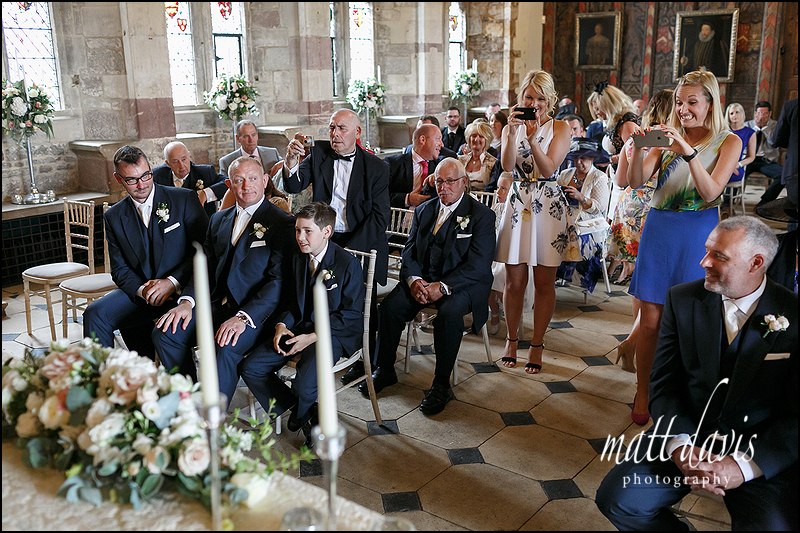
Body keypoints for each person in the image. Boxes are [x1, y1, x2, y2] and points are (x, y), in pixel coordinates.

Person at [596, 215, 797, 531]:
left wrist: (742, 467)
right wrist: (680, 445)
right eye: (707, 251)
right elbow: (663, 384)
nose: (703, 262)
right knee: (618, 500)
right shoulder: (682, 300)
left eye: (719, 256)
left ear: (756, 263)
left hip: (758, 448)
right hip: (688, 430)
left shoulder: (793, 315)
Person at [626, 70, 741, 425]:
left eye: (692, 102)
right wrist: (639, 149)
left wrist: (688, 152)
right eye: (679, 102)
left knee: (690, 320)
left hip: (698, 234)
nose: (683, 109)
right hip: (660, 229)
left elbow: (711, 192)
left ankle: (681, 390)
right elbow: (635, 181)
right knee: (650, 320)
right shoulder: (666, 136)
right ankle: (643, 390)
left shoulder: (728, 142)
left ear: (710, 104)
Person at [152, 156, 296, 404]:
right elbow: (205, 268)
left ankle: (213, 415)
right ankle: (190, 398)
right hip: (218, 304)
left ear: (264, 181)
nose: (246, 186)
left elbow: (278, 283)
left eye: (253, 179)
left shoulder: (283, 224)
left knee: (225, 346)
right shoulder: (218, 220)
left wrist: (243, 318)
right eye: (239, 180)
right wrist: (187, 302)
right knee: (166, 333)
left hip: (257, 313)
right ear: (229, 184)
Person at [359, 157, 495, 415]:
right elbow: (409, 252)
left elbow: (478, 265)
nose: (444, 187)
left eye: (450, 181)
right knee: (389, 308)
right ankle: (384, 369)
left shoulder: (482, 216)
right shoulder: (424, 210)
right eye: (439, 181)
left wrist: (442, 286)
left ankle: (441, 384)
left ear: (464, 182)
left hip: (462, 285)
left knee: (449, 315)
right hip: (423, 280)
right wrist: (414, 280)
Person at [240, 203, 364, 445]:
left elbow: (351, 314)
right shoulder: (297, 257)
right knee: (251, 367)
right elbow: (289, 300)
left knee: (306, 383)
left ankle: (303, 413)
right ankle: (305, 413)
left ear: (327, 232)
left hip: (334, 333)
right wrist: (281, 325)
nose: (300, 237)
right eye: (298, 230)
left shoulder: (347, 263)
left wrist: (313, 336)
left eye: (307, 231)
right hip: (299, 325)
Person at [282, 108, 390, 386]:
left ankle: (368, 360)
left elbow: (380, 218)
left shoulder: (376, 167)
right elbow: (293, 185)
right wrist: (291, 161)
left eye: (342, 128)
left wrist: (345, 253)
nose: (335, 134)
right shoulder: (319, 153)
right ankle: (323, 344)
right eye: (332, 127)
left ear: (357, 132)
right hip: (324, 237)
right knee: (314, 292)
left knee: (362, 303)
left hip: (361, 240)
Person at [83, 145, 208, 359]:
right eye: (132, 180)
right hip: (143, 295)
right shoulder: (114, 216)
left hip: (184, 290)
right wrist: (143, 291)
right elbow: (119, 269)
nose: (141, 185)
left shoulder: (184, 199)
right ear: (118, 178)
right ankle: (101, 377)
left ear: (151, 169)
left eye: (145, 175)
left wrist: (171, 282)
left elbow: (204, 252)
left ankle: (181, 380)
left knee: (169, 332)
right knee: (95, 314)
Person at [496, 69, 573, 374]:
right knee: (514, 282)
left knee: (543, 282)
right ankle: (512, 339)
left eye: (541, 98)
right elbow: (506, 165)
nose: (534, 103)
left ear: (550, 100)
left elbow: (549, 169)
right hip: (518, 201)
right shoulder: (511, 127)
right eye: (529, 97)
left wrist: (533, 139)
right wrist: (511, 133)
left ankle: (537, 344)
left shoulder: (561, 128)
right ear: (522, 98)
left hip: (548, 203)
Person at [609, 89, 674, 374]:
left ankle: (635, 343)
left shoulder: (637, 137)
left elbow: (620, 180)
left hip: (628, 209)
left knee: (640, 283)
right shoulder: (668, 140)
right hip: (652, 211)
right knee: (655, 285)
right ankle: (638, 342)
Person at [555, 139, 610, 293]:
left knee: (572, 234)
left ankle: (567, 274)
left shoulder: (599, 177)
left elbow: (599, 208)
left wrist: (581, 198)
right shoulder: (565, 174)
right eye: (576, 158)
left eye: (584, 158)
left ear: (592, 159)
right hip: (563, 217)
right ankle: (547, 273)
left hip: (589, 223)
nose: (579, 162)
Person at [152, 141, 227, 218]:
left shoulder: (205, 172)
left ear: (189, 155)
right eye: (175, 162)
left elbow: (227, 183)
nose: (181, 166)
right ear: (168, 163)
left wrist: (205, 194)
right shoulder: (157, 176)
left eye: (184, 159)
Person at [387, 124, 443, 209]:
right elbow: (380, 195)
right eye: (438, 139)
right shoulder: (393, 164)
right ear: (422, 140)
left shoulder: (440, 166)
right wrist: (407, 199)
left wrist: (439, 174)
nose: (442, 144)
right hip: (399, 215)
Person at [745, 101, 784, 206]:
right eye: (759, 113)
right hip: (748, 159)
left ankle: (764, 203)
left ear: (769, 114)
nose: (761, 116)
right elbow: (743, 144)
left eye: (765, 113)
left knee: (783, 176)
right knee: (735, 172)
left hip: (766, 161)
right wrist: (755, 130)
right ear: (755, 113)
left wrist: (765, 130)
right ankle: (727, 203)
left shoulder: (776, 125)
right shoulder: (747, 125)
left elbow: (775, 143)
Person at [722, 102, 757, 213]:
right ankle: (713, 205)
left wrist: (737, 164)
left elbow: (751, 157)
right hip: (721, 164)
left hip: (737, 167)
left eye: (737, 112)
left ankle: (726, 206)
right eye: (731, 113)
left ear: (742, 114)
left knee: (724, 174)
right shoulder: (723, 130)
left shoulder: (750, 132)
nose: (734, 115)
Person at [458, 120, 498, 191]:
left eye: (481, 136)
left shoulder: (493, 163)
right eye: (474, 136)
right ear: (469, 139)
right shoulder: (460, 160)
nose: (476, 139)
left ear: (487, 140)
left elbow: (491, 189)